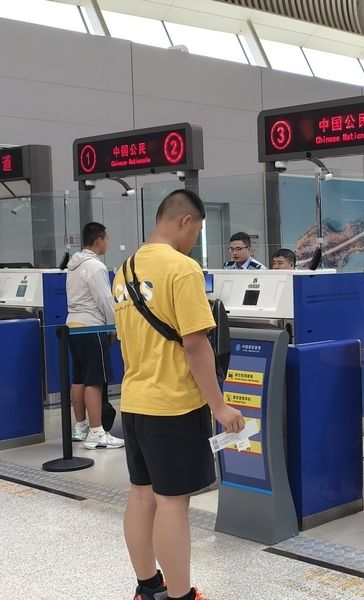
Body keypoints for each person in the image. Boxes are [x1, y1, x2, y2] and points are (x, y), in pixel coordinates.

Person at [113, 190, 245, 600]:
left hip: (134, 401)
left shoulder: (124, 271)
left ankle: (148, 587)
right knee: (173, 502)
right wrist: (219, 405)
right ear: (185, 220)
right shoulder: (182, 268)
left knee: (142, 494)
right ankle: (182, 596)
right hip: (173, 404)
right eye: (198, 231)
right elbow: (195, 344)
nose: (194, 240)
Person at [67, 221, 124, 450]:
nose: (107, 243)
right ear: (99, 240)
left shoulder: (74, 265)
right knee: (95, 379)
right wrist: (113, 327)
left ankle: (80, 426)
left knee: (79, 377)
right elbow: (105, 300)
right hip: (91, 327)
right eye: (106, 238)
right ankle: (97, 432)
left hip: (73, 325)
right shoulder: (95, 266)